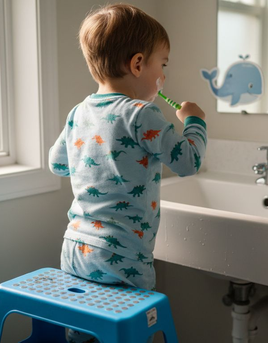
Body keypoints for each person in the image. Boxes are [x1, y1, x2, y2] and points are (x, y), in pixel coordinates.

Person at [49, 4, 207, 342]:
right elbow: (188, 162)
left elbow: (58, 164)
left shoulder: (80, 111)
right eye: (161, 65)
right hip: (123, 256)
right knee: (130, 334)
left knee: (85, 331)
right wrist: (195, 122)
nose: (162, 76)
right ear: (137, 64)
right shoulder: (141, 113)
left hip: (75, 247)